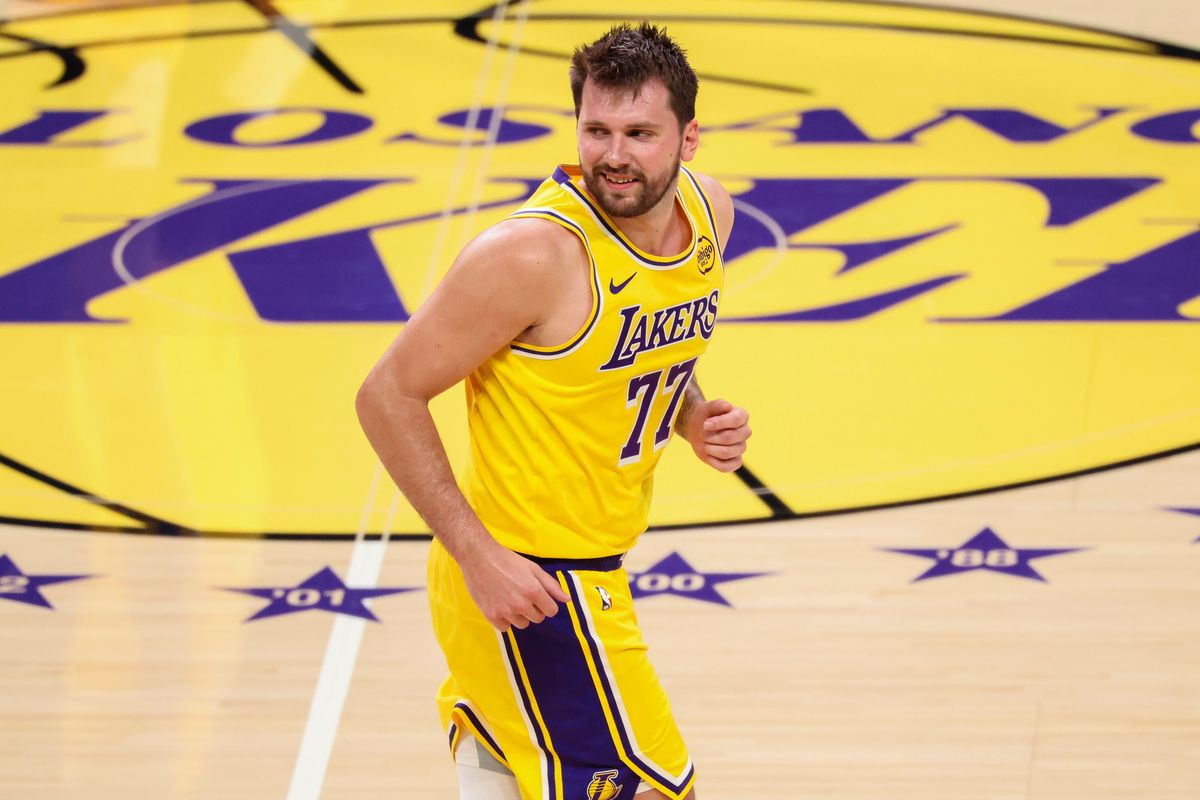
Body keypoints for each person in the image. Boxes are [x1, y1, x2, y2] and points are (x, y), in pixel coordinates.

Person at [355, 22, 751, 800]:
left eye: (639, 134)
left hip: (584, 564)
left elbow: (637, 348)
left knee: (521, 767)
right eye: (596, 130)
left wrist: (692, 415)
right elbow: (385, 394)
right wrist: (479, 557)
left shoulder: (710, 215)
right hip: (532, 578)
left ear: (689, 138)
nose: (614, 155)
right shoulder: (532, 255)